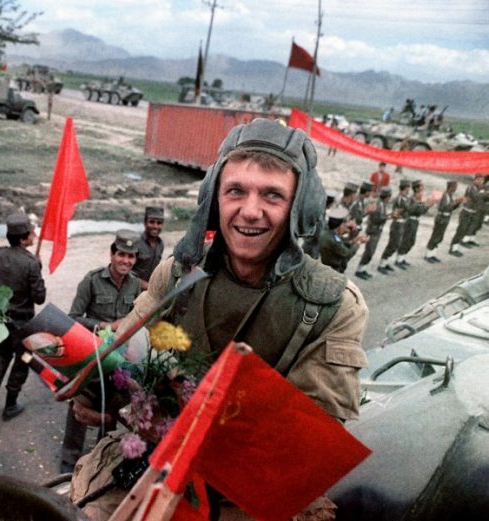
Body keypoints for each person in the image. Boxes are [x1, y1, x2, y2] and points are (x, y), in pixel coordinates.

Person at [73, 118, 369, 519]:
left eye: (272, 195)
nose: (250, 211)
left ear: (301, 208)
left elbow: (302, 446)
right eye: (236, 191)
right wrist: (98, 390)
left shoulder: (333, 305)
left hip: (241, 497)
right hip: (151, 463)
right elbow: (126, 352)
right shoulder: (177, 273)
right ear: (214, 198)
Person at [61, 229, 142, 473]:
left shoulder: (135, 284)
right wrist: (104, 326)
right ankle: (67, 466)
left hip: (118, 360)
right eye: (121, 255)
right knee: (79, 408)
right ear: (112, 254)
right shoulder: (92, 280)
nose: (125, 261)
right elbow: (73, 318)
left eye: (131, 256)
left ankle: (99, 462)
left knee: (112, 408)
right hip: (90, 355)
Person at [0, 213, 46, 420]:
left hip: (1, 318)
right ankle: (10, 404)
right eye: (31, 233)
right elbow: (40, 298)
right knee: (23, 359)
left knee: (2, 354)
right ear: (23, 238)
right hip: (22, 323)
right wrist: (38, 268)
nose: (34, 235)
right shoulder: (31, 263)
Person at [355, 187, 392, 280]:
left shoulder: (382, 204)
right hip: (373, 230)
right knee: (369, 251)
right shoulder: (378, 204)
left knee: (371, 251)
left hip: (377, 231)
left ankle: (362, 269)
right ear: (386, 197)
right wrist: (388, 217)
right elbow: (376, 219)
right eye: (389, 197)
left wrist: (387, 216)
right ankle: (359, 270)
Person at [396, 180, 434, 268]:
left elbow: (422, 211)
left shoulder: (419, 198)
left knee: (411, 241)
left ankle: (402, 258)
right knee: (406, 240)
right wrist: (423, 204)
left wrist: (427, 206)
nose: (423, 188)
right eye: (421, 186)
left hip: (416, 221)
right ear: (416, 189)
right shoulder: (412, 199)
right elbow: (411, 210)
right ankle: (399, 260)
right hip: (410, 221)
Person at [319, 207, 366, 274]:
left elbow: (340, 243)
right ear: (339, 225)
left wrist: (353, 241)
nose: (345, 226)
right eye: (344, 224)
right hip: (334, 270)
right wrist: (358, 243)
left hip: (327, 266)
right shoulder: (334, 240)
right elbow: (347, 254)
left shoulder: (327, 233)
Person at [378, 180, 411, 274]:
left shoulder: (405, 198)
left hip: (401, 223)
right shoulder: (400, 199)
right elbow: (406, 209)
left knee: (396, 244)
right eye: (408, 188)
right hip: (397, 223)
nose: (409, 190)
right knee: (393, 244)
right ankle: (382, 264)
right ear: (404, 188)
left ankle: (385, 262)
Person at [424, 181, 462, 263]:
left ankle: (432, 254)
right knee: (435, 235)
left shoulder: (450, 196)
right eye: (455, 187)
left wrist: (457, 204)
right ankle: (428, 255)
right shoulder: (444, 196)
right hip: (441, 218)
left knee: (440, 236)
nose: (456, 189)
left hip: (446, 218)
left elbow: (451, 208)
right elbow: (443, 207)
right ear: (451, 187)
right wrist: (454, 203)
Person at [448, 174, 485, 257]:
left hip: (471, 212)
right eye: (479, 180)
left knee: (464, 231)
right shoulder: (471, 188)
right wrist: (485, 194)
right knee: (461, 231)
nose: (480, 182)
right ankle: (453, 249)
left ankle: (455, 248)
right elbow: (476, 197)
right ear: (475, 180)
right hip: (466, 212)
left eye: (482, 180)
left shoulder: (478, 188)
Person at [132, 206, 165, 290]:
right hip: (133, 290)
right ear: (145, 223)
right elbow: (126, 273)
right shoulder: (136, 243)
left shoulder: (160, 244)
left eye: (159, 223)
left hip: (149, 290)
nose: (155, 226)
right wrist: (147, 286)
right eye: (151, 222)